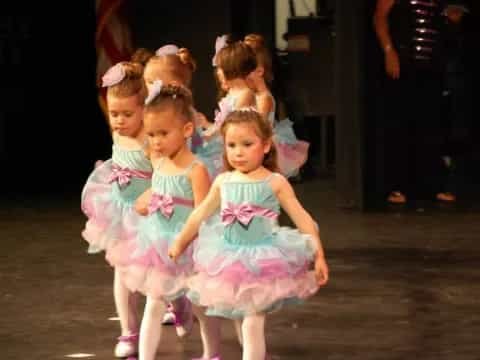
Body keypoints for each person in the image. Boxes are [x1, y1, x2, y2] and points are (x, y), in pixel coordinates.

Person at [169, 109, 329, 360]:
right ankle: (215, 352)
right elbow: (199, 214)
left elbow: (303, 219)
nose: (238, 152)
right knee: (211, 307)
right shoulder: (223, 181)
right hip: (228, 258)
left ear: (265, 146)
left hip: (262, 261)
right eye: (231, 145)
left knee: (252, 321)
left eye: (246, 144)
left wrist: (319, 255)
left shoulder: (274, 181)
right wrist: (180, 241)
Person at [106, 81, 220, 360]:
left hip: (191, 247)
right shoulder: (158, 162)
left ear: (186, 130)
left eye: (163, 134)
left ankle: (212, 353)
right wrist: (148, 200)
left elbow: (203, 212)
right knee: (154, 302)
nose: (155, 141)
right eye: (152, 133)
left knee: (201, 307)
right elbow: (157, 189)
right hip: (159, 242)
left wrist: (188, 243)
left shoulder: (196, 169)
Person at [81, 61, 151, 358]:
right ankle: (128, 332)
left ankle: (178, 303)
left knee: (156, 274)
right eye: (113, 114)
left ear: (144, 110)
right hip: (121, 214)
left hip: (149, 216)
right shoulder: (118, 134)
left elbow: (164, 172)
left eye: (127, 114)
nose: (119, 121)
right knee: (122, 272)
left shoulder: (150, 139)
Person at [373, 0, 448, 205]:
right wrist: (389, 51)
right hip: (403, 63)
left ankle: (432, 186)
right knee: (400, 125)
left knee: (429, 125)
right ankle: (396, 186)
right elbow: (380, 17)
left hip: (429, 66)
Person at [244, 33, 310, 178]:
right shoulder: (252, 95)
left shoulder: (264, 98)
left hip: (263, 148)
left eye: (245, 72)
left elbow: (257, 125)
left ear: (259, 71)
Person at [197, 38, 258, 180]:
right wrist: (207, 127)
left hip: (234, 143)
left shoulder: (245, 94)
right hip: (222, 140)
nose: (217, 72)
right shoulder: (231, 92)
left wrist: (209, 135)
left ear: (231, 68)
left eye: (219, 68)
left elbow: (231, 124)